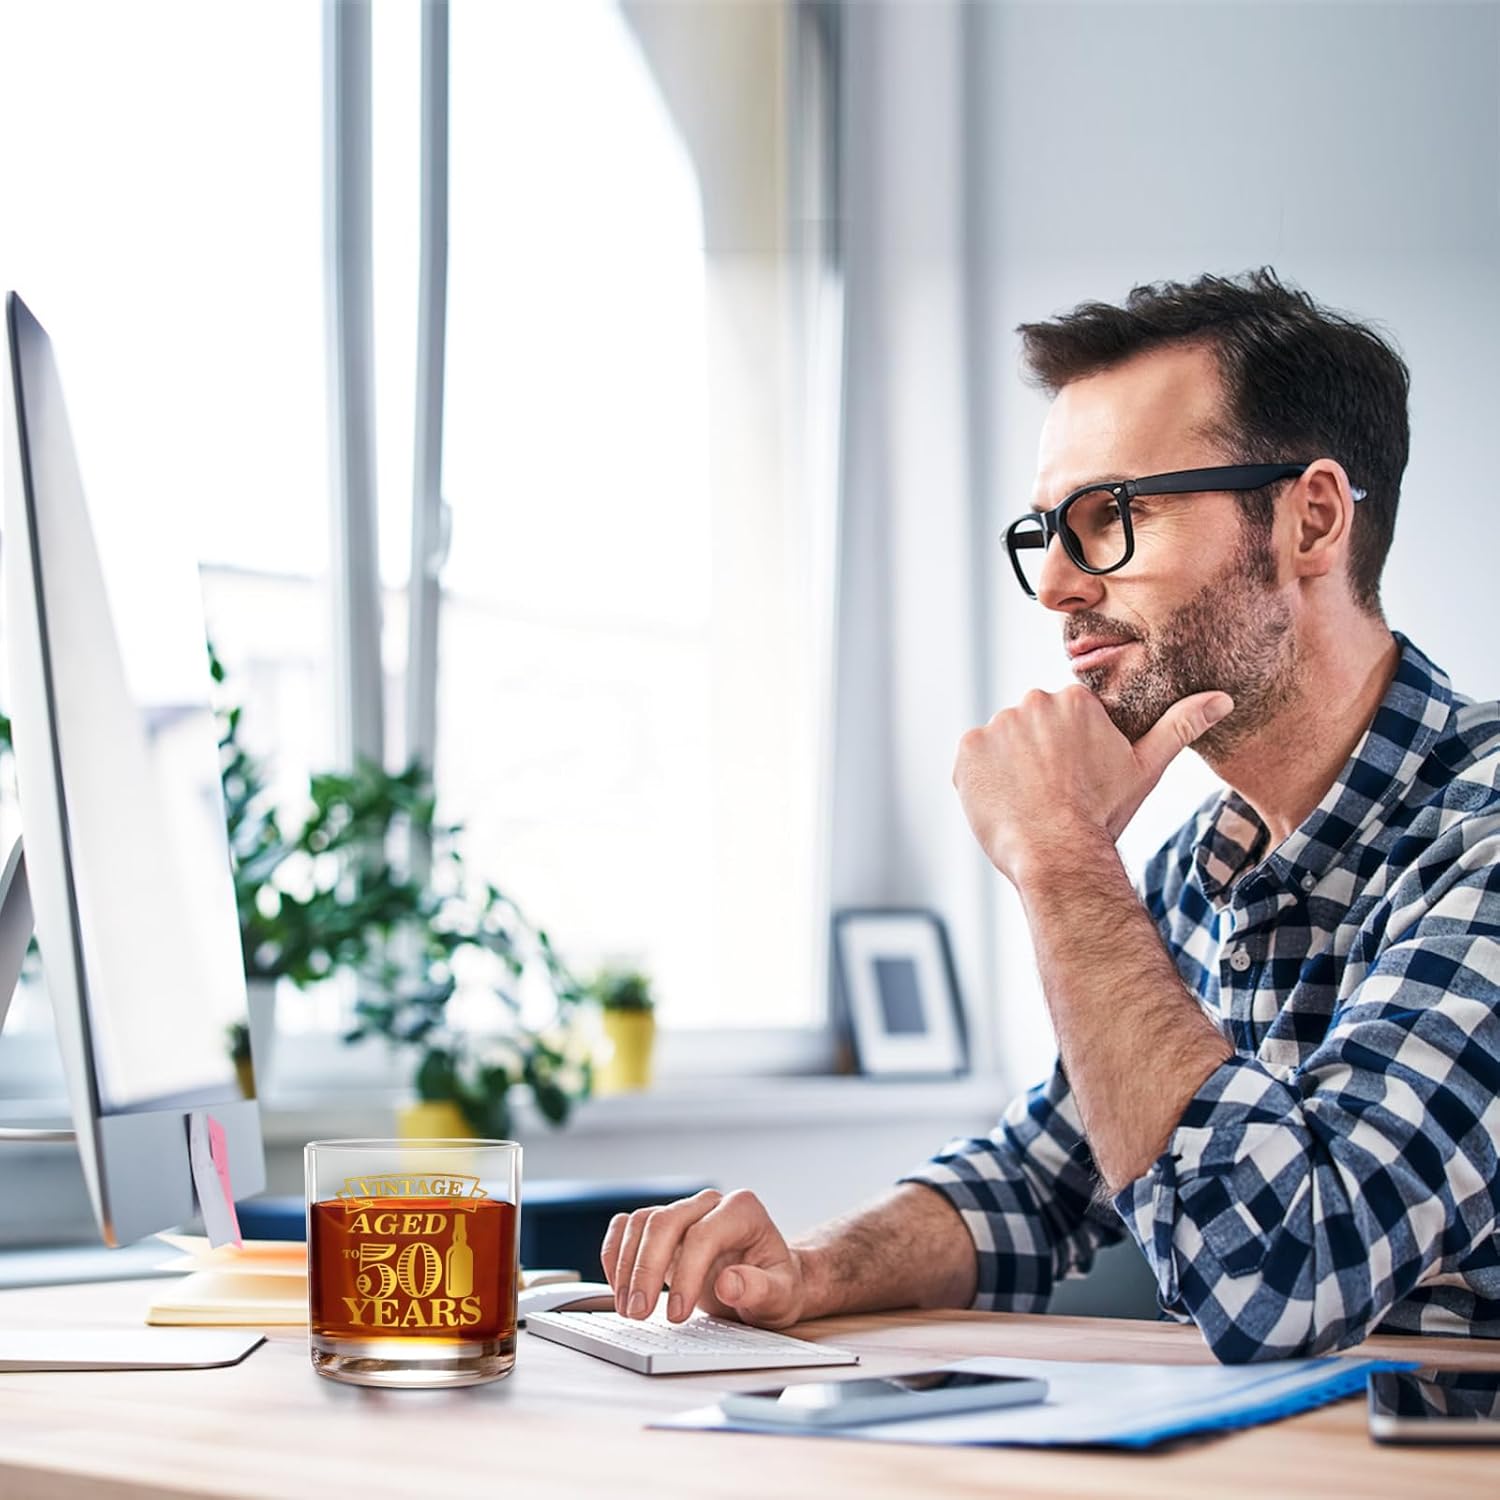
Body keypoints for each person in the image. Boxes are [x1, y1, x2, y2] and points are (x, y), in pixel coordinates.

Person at [599, 269, 1500, 1363]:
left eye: (1114, 515)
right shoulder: (1197, 872)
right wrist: (812, 1268)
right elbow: (1038, 1177)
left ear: (1309, 519)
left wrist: (1060, 852)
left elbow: (1284, 1273)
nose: (1057, 586)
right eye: (1047, 532)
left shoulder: (1480, 835)